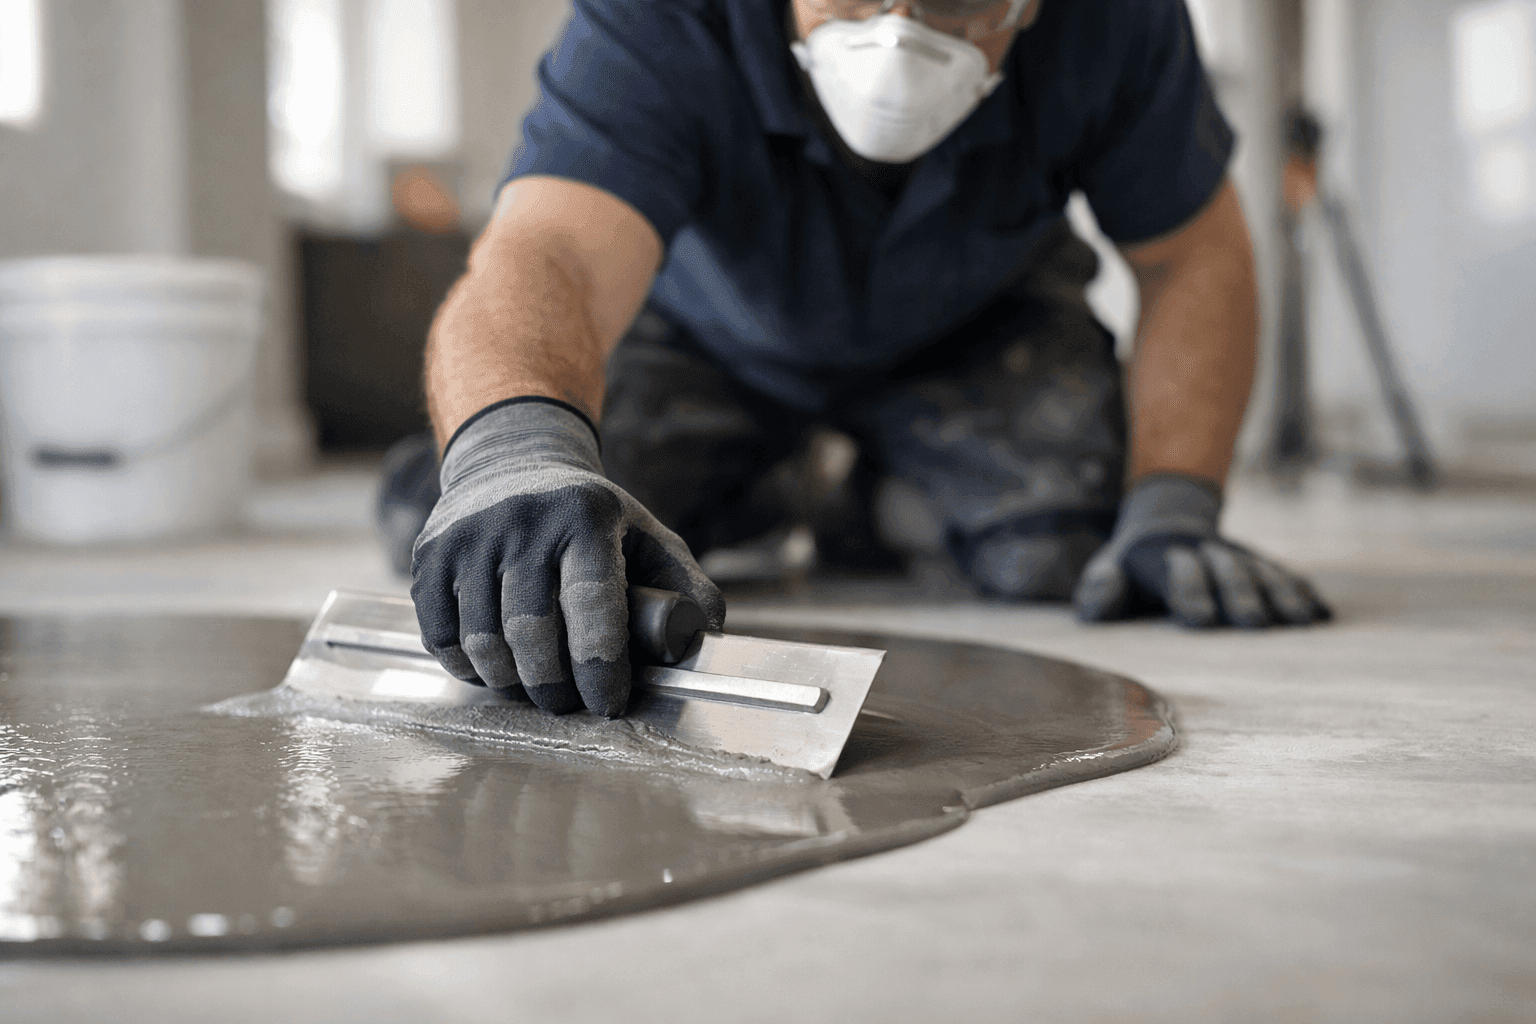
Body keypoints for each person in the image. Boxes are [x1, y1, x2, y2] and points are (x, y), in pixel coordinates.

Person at [400, 0, 1331, 719]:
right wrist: (514, 445)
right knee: (527, 553)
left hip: (976, 325)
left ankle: (857, 492)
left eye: (957, 1)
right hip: (702, 337)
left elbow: (1190, 256)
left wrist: (1174, 501)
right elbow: (552, 246)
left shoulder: (1119, 20)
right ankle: (775, 481)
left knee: (1070, 546)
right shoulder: (662, 15)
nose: (899, 37)